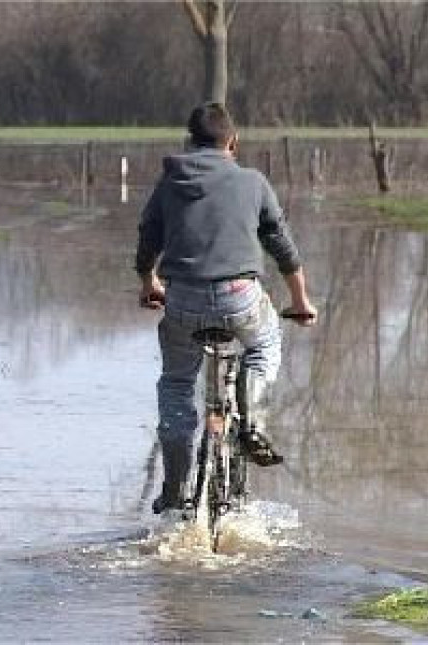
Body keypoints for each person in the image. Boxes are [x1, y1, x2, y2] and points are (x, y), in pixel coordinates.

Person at [135, 103, 317, 514]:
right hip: (240, 298)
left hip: (182, 299)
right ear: (233, 142)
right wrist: (300, 301)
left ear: (189, 142)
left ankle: (177, 486)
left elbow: (149, 235)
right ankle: (248, 408)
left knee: (178, 384)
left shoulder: (170, 181)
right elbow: (281, 244)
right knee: (265, 340)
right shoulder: (252, 182)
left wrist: (150, 283)